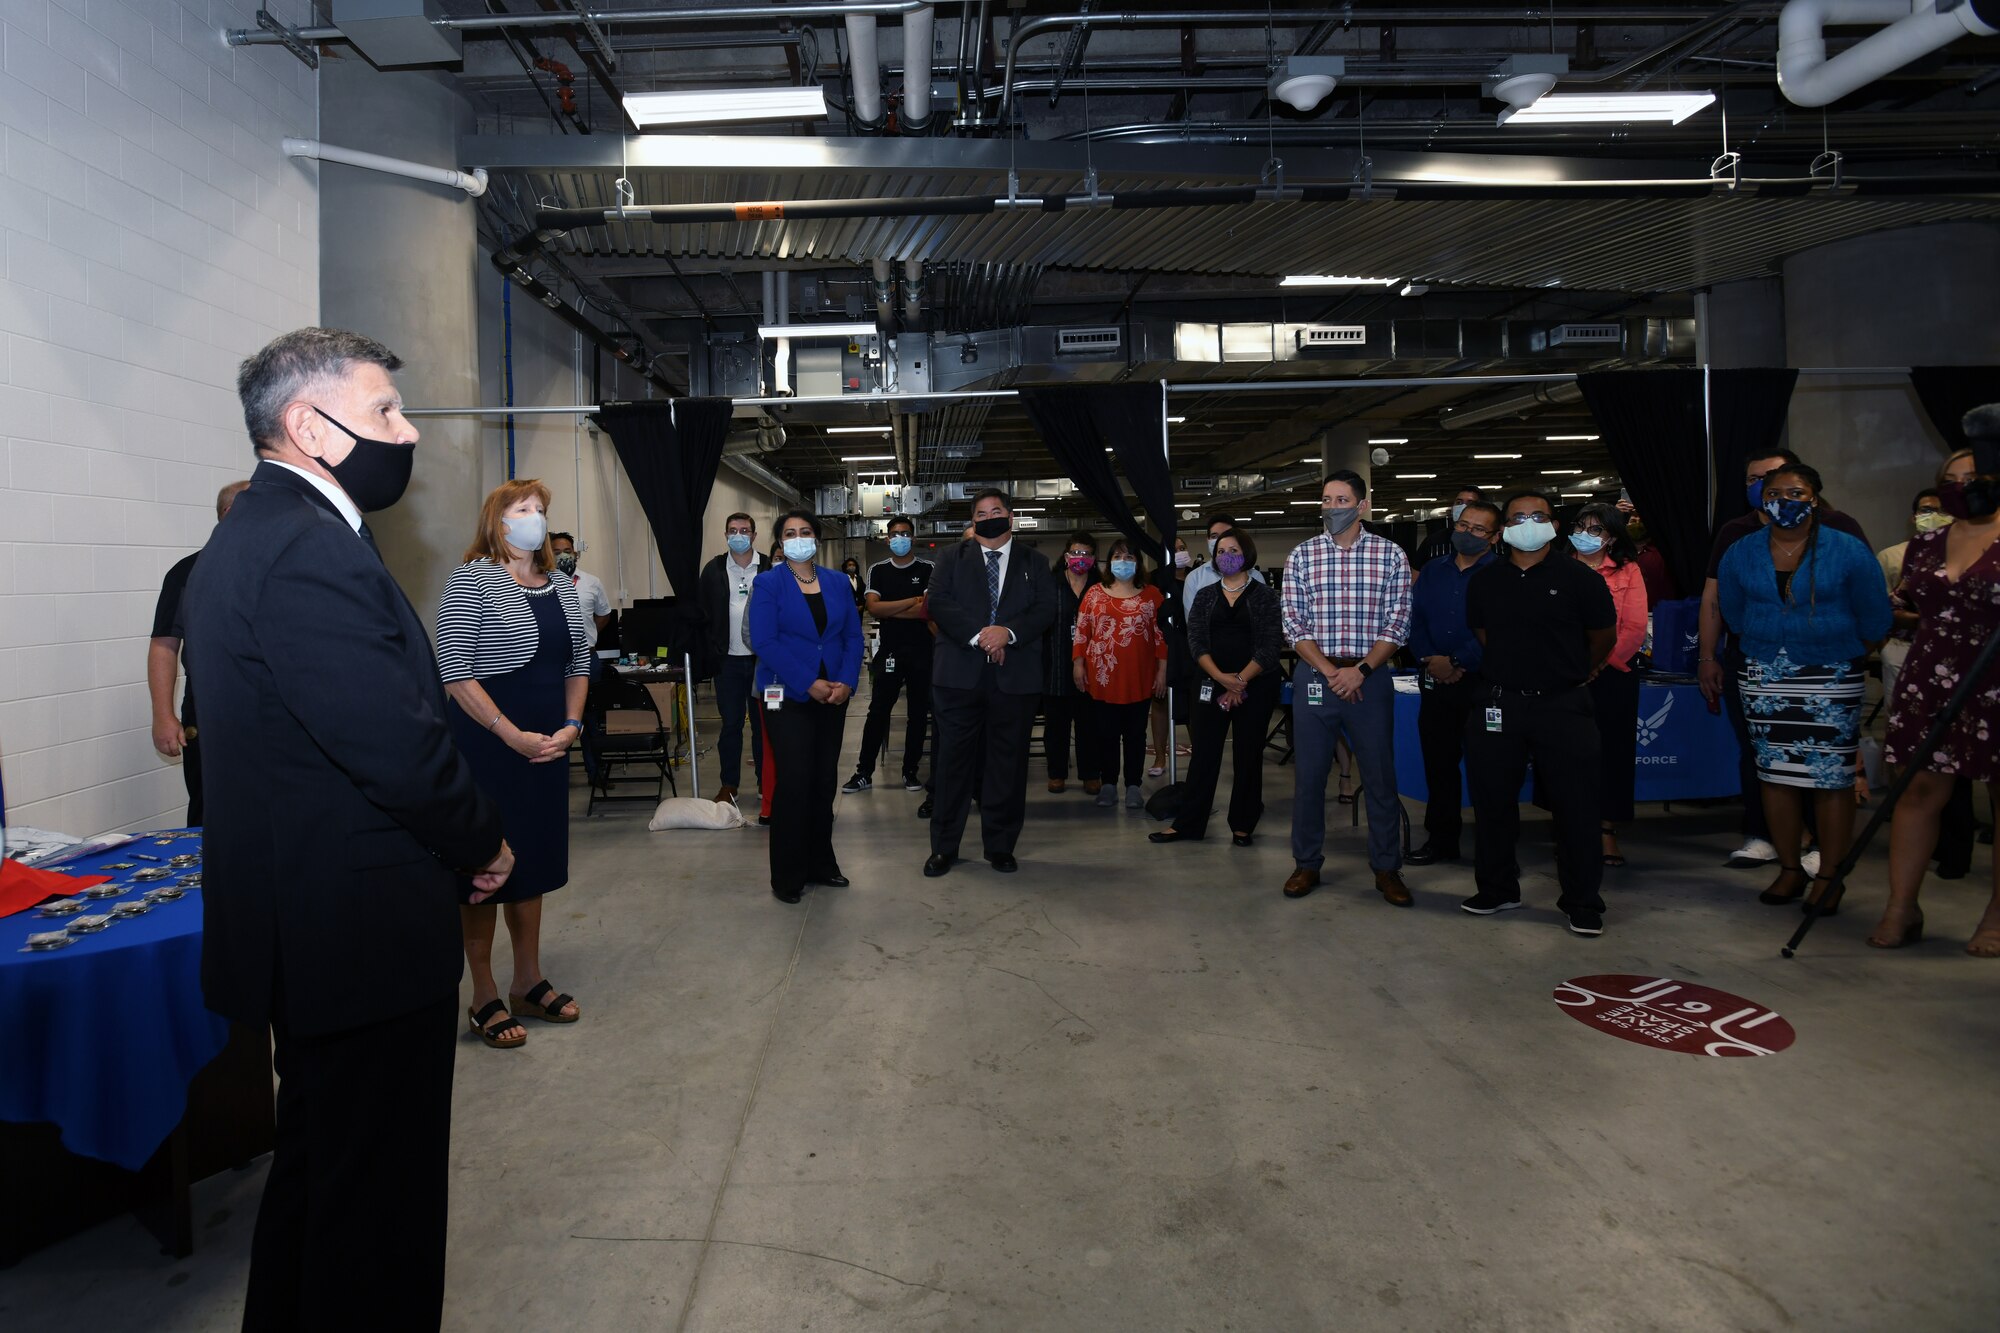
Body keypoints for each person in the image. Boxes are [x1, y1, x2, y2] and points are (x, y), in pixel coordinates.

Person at [184, 327, 514, 1330]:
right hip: (357, 932)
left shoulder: (266, 536)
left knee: (325, 1178)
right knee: (378, 1213)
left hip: (318, 926)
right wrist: (482, 840)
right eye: (383, 412)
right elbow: (396, 745)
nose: (405, 431)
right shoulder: (301, 549)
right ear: (307, 426)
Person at [437, 479, 594, 1047]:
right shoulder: (472, 579)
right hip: (488, 747)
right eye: (522, 509)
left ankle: (528, 979)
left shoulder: (560, 587)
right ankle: (483, 993)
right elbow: (455, 672)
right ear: (497, 521)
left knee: (532, 865)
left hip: (547, 747)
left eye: (540, 510)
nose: (534, 518)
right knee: (482, 868)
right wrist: (511, 736)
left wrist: (570, 727)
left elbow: (580, 663)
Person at [1717, 462, 1891, 916]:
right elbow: (1733, 613)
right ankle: (1790, 867)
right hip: (1763, 674)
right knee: (1774, 775)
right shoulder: (1741, 551)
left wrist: (1837, 648)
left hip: (1831, 675)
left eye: (1796, 491)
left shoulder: (1847, 550)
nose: (1785, 500)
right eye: (1775, 492)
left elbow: (1875, 617)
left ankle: (1830, 875)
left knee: (1830, 779)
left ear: (1814, 497)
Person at [1460, 492, 1617, 935]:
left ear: (1553, 524)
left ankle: (1582, 900)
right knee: (1492, 801)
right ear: (1504, 529)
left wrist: (1573, 671)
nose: (1527, 523)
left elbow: (1603, 636)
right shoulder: (1487, 580)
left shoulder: (1579, 578)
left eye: (1537, 516)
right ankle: (1497, 888)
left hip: (1562, 703)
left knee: (1576, 806)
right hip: (1499, 701)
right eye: (1517, 517)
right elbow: (1483, 632)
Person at [1874, 417, 2000, 955]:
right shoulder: (1927, 543)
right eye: (1954, 476)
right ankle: (1902, 905)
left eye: (1976, 473)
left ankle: (1996, 914)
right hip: (1931, 672)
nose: (1965, 483)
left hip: (1996, 675)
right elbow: (1908, 603)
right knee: (1918, 790)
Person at [1279, 470, 1414, 906]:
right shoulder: (1302, 556)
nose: (1332, 507)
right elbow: (1293, 623)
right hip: (1316, 678)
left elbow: (1399, 623)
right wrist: (1330, 671)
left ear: (1362, 505)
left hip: (1369, 679)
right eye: (1326, 499)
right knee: (1310, 778)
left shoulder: (1390, 555)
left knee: (1378, 777)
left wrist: (1361, 670)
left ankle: (1387, 867)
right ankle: (1306, 862)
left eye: (1341, 499)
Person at [922, 490, 1056, 877]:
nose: (989, 517)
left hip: (1015, 679)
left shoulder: (1035, 560)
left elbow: (1045, 608)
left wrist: (1008, 634)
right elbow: (939, 602)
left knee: (1007, 765)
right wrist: (984, 636)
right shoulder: (950, 558)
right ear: (973, 520)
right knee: (952, 765)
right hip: (958, 678)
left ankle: (1000, 846)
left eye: (996, 511)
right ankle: (944, 848)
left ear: (1010, 517)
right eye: (981, 513)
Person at [749, 510, 863, 904]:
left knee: (823, 780)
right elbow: (764, 642)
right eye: (791, 533)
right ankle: (787, 875)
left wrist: (846, 681)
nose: (799, 538)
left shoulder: (837, 582)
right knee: (795, 781)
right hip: (787, 694)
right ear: (780, 542)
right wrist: (807, 682)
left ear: (817, 539)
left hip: (833, 693)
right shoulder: (768, 584)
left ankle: (821, 863)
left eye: (806, 532)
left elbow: (852, 634)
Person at [1153, 527, 1281, 845]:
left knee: (1247, 755)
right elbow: (1196, 642)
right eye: (1221, 552)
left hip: (1256, 685)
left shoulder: (1264, 596)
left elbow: (1269, 644)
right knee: (1204, 755)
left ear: (1247, 553)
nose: (1226, 556)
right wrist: (1224, 678)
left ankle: (1243, 823)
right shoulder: (1206, 594)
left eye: (1233, 550)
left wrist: (1240, 681)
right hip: (1211, 683)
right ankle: (1188, 824)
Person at [1405, 498, 1501, 865]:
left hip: (1482, 683)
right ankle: (1441, 841)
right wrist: (1431, 661)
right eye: (1463, 526)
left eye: (1478, 529)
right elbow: (1414, 620)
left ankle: (1495, 850)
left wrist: (1457, 661)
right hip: (1435, 680)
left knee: (1488, 771)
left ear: (1494, 537)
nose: (1468, 534)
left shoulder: (1501, 575)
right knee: (1439, 765)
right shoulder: (1432, 570)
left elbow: (1498, 631)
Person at [148, 479, 250, 825]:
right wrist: (163, 716)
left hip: (271, 707)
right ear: (230, 513)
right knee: (210, 810)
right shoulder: (188, 572)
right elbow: (164, 645)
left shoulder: (281, 568)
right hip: (210, 707)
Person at [1570, 502, 1651, 868]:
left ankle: (1606, 832)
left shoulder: (1628, 571)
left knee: (1610, 755)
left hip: (1612, 675)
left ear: (1612, 537)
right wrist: (1575, 666)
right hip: (1565, 677)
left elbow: (1634, 627)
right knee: (1566, 757)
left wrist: (1598, 663)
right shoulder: (1558, 568)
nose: (1586, 535)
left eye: (1596, 529)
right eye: (1580, 526)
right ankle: (1568, 831)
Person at [1073, 537, 1169, 810]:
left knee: (1136, 735)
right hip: (1102, 676)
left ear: (1138, 562)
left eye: (1129, 557)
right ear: (1108, 561)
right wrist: (1078, 664)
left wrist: (1162, 671)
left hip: (1139, 676)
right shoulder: (1094, 594)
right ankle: (1108, 783)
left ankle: (1133, 785)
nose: (1123, 562)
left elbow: (1162, 637)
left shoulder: (1152, 595)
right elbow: (1082, 631)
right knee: (1105, 733)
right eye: (1117, 556)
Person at [844, 515, 934, 794]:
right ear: (887, 538)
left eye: (905, 534)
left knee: (918, 714)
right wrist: (912, 601)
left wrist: (893, 606)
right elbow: (873, 608)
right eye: (894, 534)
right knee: (878, 712)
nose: (899, 538)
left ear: (913, 537)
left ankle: (910, 771)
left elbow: (927, 611)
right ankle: (863, 772)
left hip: (923, 651)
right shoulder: (878, 570)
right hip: (890, 651)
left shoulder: (929, 567)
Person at [698, 512, 770, 807]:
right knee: (730, 725)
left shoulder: (768, 567)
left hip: (762, 661)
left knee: (763, 724)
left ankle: (766, 782)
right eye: (732, 530)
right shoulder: (713, 569)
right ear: (725, 535)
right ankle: (729, 784)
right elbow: (703, 613)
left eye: (744, 530)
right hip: (727, 661)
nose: (738, 535)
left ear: (754, 535)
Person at [1043, 531, 1103, 794]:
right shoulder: (1050, 584)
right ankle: (1056, 774)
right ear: (1066, 556)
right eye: (1076, 553)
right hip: (1055, 664)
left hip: (1093, 668)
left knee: (1090, 724)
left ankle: (1090, 773)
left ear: (1094, 558)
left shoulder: (1101, 588)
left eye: (1086, 553)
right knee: (1056, 725)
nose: (1081, 558)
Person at [1151, 535, 1196, 776]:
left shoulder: (1196, 578)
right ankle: (1160, 757)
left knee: (1193, 702)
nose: (1180, 552)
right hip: (1165, 648)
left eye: (1183, 547)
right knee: (1160, 701)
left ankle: (1200, 757)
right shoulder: (1157, 582)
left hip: (1192, 649)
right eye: (1174, 549)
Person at [548, 531, 612, 655]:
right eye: (557, 553)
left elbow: (604, 614)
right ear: (549, 555)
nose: (563, 556)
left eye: (567, 552)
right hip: (554, 656)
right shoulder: (541, 583)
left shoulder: (592, 582)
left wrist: (588, 633)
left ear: (575, 554)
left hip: (587, 653)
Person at [1414, 485, 1485, 571]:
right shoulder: (1434, 540)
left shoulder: (1487, 538)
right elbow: (1416, 575)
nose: (1462, 507)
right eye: (1459, 502)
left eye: (1470, 503)